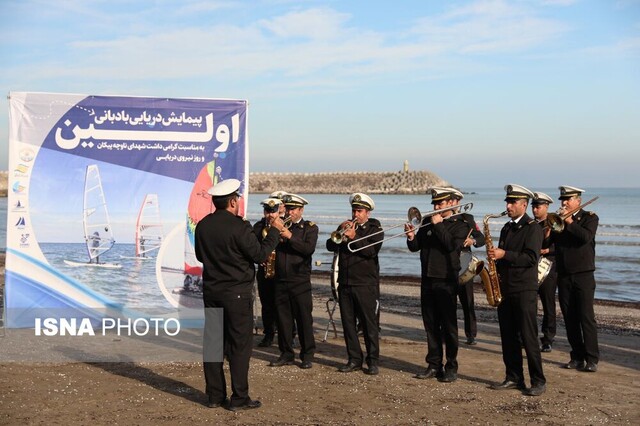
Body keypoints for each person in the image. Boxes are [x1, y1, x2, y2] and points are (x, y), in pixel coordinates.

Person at [195, 179, 285, 411]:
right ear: (233, 201)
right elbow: (260, 255)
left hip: (212, 292)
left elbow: (199, 256)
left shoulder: (203, 225)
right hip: (236, 295)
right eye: (238, 199)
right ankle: (239, 398)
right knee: (239, 346)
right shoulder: (240, 226)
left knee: (214, 345)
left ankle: (215, 396)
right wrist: (275, 231)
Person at [488, 184, 546, 397]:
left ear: (524, 204)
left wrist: (504, 255)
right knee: (508, 336)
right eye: (507, 201)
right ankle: (514, 377)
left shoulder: (533, 228)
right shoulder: (506, 227)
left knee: (528, 336)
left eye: (512, 202)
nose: (508, 205)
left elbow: (531, 258)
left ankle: (538, 380)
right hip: (506, 288)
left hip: (524, 289)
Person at [405, 187, 468, 383]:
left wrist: (439, 225)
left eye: (439, 204)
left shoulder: (460, 224)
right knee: (430, 325)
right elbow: (416, 248)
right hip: (428, 278)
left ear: (450, 203)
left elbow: (451, 246)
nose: (435, 207)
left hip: (447, 280)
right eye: (434, 204)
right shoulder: (426, 222)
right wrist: (411, 237)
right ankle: (433, 364)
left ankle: (451, 366)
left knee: (448, 326)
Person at [326, 193, 384, 375]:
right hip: (345, 282)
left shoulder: (375, 229)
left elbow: (371, 251)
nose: (355, 214)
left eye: (359, 211)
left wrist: (354, 236)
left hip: (365, 284)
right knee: (348, 324)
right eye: (354, 210)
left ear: (367, 212)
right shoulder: (346, 226)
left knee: (369, 325)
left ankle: (373, 360)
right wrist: (341, 232)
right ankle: (354, 359)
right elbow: (330, 245)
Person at [553, 185, 599, 372]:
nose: (564, 203)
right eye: (563, 200)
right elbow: (553, 243)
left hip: (583, 274)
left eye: (568, 199)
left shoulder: (590, 218)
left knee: (586, 317)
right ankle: (577, 356)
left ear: (578, 201)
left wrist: (570, 222)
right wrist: (552, 227)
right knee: (569, 317)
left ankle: (592, 358)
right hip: (564, 274)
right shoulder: (560, 221)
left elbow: (585, 237)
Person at [269, 194, 318, 369]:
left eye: (293, 209)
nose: (289, 212)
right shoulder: (280, 225)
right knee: (283, 320)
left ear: (301, 210)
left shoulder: (310, 228)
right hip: (281, 279)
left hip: (300, 280)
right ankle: (286, 353)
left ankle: (307, 355)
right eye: (288, 208)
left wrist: (290, 236)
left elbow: (308, 249)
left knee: (304, 319)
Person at [449, 187, 484, 346]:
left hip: (464, 265)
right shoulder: (440, 219)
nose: (451, 204)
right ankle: (449, 333)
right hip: (446, 265)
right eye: (448, 201)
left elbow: (481, 238)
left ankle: (471, 334)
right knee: (448, 303)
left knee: (467, 301)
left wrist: (473, 241)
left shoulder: (467, 218)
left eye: (453, 201)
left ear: (458, 202)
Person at [252, 197, 282, 347]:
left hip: (281, 271)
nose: (270, 214)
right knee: (267, 304)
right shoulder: (258, 227)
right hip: (264, 271)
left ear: (279, 211)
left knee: (282, 305)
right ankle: (268, 334)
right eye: (267, 211)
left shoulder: (284, 225)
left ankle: (288, 334)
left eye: (273, 211)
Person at [531, 191, 557, 352]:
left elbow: (562, 245)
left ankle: (548, 339)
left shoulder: (555, 223)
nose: (534, 210)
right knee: (530, 305)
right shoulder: (532, 225)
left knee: (549, 305)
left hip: (549, 268)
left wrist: (548, 248)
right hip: (533, 267)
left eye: (538, 207)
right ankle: (530, 336)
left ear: (546, 207)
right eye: (533, 207)